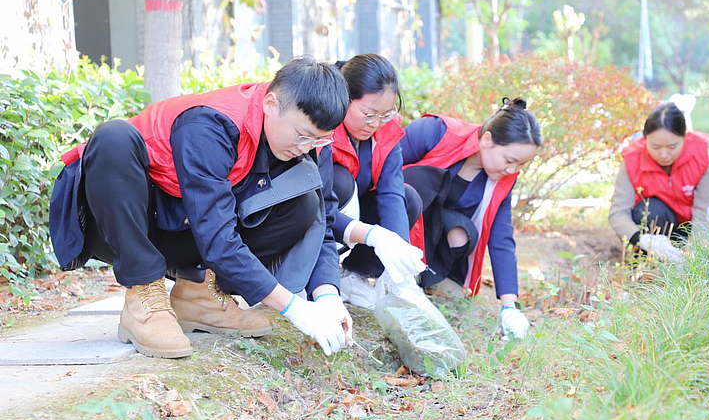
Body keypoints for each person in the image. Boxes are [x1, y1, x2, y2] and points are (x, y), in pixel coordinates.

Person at [49, 57, 354, 359]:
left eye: (318, 140)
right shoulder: (211, 125)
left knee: (303, 204)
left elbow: (322, 224)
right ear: (271, 104)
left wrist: (328, 296)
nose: (306, 147)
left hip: (187, 225)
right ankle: (143, 295)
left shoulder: (308, 141)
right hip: (123, 222)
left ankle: (198, 294)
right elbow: (217, 239)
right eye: (302, 136)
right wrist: (295, 308)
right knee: (113, 137)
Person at [399, 98, 543, 340]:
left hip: (431, 241)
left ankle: (427, 279)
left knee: (461, 233)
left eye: (521, 164)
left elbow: (501, 238)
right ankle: (376, 273)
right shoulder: (436, 132)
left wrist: (510, 306)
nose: (512, 170)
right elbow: (382, 168)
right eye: (509, 160)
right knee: (415, 189)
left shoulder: (502, 179)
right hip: (396, 217)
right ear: (487, 140)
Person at [330, 54, 425, 308]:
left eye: (385, 115)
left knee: (408, 199)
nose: (375, 124)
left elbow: (391, 192)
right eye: (368, 114)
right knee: (340, 182)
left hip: (359, 212)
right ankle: (320, 276)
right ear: (344, 98)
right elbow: (318, 205)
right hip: (326, 212)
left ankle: (356, 275)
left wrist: (400, 258)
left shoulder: (385, 129)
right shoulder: (323, 124)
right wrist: (373, 235)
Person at [608, 102, 709, 262]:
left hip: (698, 222)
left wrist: (698, 251)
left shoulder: (704, 151)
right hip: (662, 229)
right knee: (647, 210)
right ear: (645, 138)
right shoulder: (632, 159)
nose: (664, 154)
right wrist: (644, 240)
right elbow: (618, 213)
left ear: (684, 136)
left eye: (672, 147)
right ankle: (655, 259)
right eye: (655, 147)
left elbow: (705, 205)